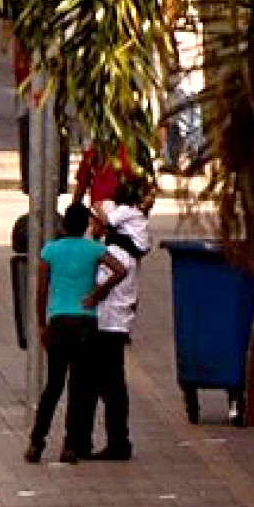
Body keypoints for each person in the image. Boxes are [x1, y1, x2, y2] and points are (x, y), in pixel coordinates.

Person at [27, 201, 118, 465]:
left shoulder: (50, 251)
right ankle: (70, 446)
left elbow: (42, 290)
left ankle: (37, 442)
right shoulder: (95, 249)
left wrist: (42, 324)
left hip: (59, 321)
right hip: (86, 323)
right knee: (79, 387)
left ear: (64, 225)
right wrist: (98, 294)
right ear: (85, 226)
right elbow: (119, 270)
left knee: (53, 385)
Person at [79, 178, 154, 461]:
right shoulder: (131, 228)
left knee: (109, 382)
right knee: (108, 381)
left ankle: (117, 441)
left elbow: (101, 210)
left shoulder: (124, 229)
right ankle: (113, 439)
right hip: (115, 316)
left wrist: (94, 297)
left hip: (108, 319)